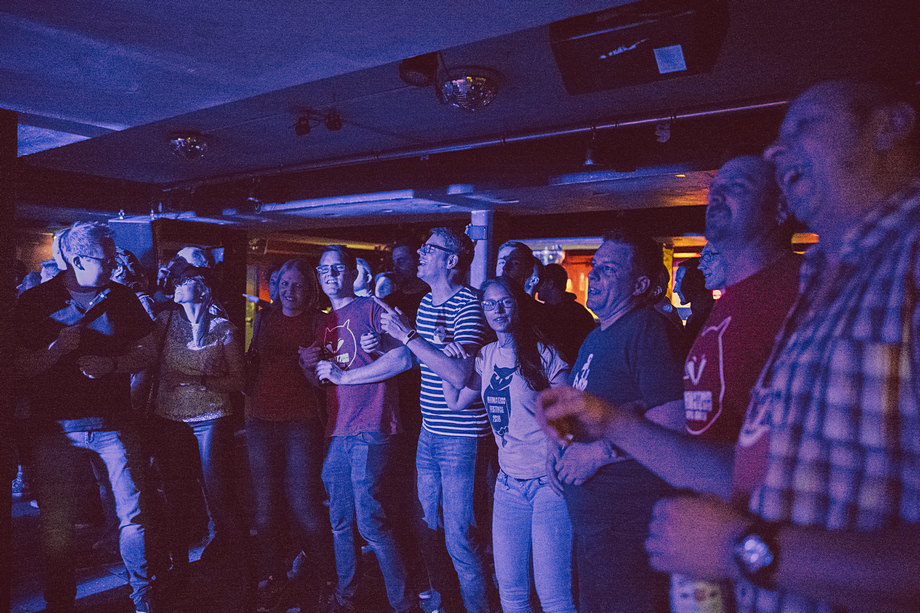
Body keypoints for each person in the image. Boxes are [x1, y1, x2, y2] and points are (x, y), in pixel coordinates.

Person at [541, 80, 920, 613]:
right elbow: (759, 470)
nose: (776, 148)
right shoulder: (823, 284)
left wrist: (743, 549)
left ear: (889, 126)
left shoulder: (907, 265)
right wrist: (612, 422)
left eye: (804, 125)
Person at [13, 221, 162, 613]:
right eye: (106, 260)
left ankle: (143, 600)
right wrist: (56, 350)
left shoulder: (121, 297)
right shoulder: (36, 301)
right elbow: (18, 367)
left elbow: (148, 352)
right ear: (77, 260)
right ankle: (60, 603)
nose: (114, 266)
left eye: (114, 259)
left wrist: (112, 364)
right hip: (56, 429)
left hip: (114, 424)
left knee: (133, 516)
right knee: (57, 524)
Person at [550, 228, 686, 613]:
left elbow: (672, 422)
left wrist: (595, 454)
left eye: (608, 269)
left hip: (627, 527)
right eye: (595, 266)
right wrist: (559, 445)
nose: (593, 275)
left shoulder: (647, 330)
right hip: (598, 530)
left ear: (640, 284)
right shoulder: (597, 336)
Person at [378, 227, 494, 613]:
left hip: (462, 438)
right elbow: (425, 358)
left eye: (429, 249)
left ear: (451, 260)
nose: (421, 253)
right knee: (428, 529)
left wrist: (409, 337)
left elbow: (459, 375)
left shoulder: (470, 306)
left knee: (461, 541)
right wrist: (386, 342)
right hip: (429, 433)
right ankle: (445, 604)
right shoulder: (427, 302)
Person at [442, 277, 575, 613]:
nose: (497, 310)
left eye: (505, 302)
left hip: (548, 485)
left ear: (518, 304)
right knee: (511, 594)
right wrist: (448, 363)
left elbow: (567, 412)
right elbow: (455, 401)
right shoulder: (486, 356)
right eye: (489, 304)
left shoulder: (544, 353)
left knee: (554, 597)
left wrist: (555, 449)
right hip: (508, 486)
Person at [299, 245, 417, 613]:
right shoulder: (323, 322)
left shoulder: (372, 307)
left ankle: (404, 604)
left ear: (353, 272)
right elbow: (324, 380)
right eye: (324, 270)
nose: (330, 275)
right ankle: (345, 598)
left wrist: (347, 375)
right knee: (339, 521)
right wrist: (307, 367)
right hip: (338, 429)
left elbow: (405, 357)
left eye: (337, 268)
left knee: (371, 523)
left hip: (372, 423)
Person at [245, 259, 332, 612]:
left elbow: (326, 381)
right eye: (284, 284)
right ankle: (273, 578)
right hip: (260, 418)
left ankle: (329, 580)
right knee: (265, 508)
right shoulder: (264, 317)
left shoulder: (320, 321)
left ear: (309, 289)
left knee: (304, 504)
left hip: (301, 420)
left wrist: (308, 364)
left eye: (297, 285)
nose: (290, 291)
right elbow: (253, 360)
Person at [148, 268, 246, 581]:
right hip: (169, 418)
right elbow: (148, 362)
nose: (177, 285)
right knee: (176, 497)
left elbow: (240, 381)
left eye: (185, 281)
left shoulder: (223, 328)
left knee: (220, 495)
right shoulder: (164, 321)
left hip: (211, 418)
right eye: (176, 280)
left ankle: (241, 573)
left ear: (203, 289)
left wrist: (197, 379)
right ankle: (178, 570)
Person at [536, 263, 596, 366]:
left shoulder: (578, 316)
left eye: (540, 281)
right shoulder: (581, 313)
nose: (536, 287)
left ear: (550, 283)